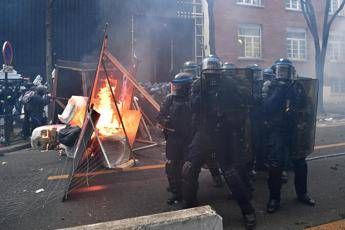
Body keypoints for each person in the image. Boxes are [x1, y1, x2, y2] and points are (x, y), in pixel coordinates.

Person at [182, 55, 256, 229]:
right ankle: (188, 207)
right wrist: (202, 92)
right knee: (189, 169)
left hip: (222, 134)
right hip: (203, 134)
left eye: (215, 69)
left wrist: (229, 117)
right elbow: (193, 107)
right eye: (209, 69)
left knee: (231, 174)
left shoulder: (228, 84)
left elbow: (241, 105)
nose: (212, 72)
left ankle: (248, 211)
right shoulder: (198, 84)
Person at [262, 58, 316, 213]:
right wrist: (280, 91)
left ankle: (302, 193)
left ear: (291, 72)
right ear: (276, 72)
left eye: (285, 71)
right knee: (276, 165)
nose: (282, 74)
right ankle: (274, 198)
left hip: (294, 129)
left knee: (300, 161)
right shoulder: (270, 86)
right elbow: (266, 107)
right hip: (277, 130)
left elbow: (307, 105)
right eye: (280, 70)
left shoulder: (297, 86)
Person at [157, 72, 194, 205]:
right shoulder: (170, 99)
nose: (176, 88)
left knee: (188, 169)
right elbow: (160, 117)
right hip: (173, 139)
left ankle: (188, 196)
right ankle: (176, 193)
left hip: (189, 139)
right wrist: (166, 123)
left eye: (179, 85)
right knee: (172, 167)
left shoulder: (194, 99)